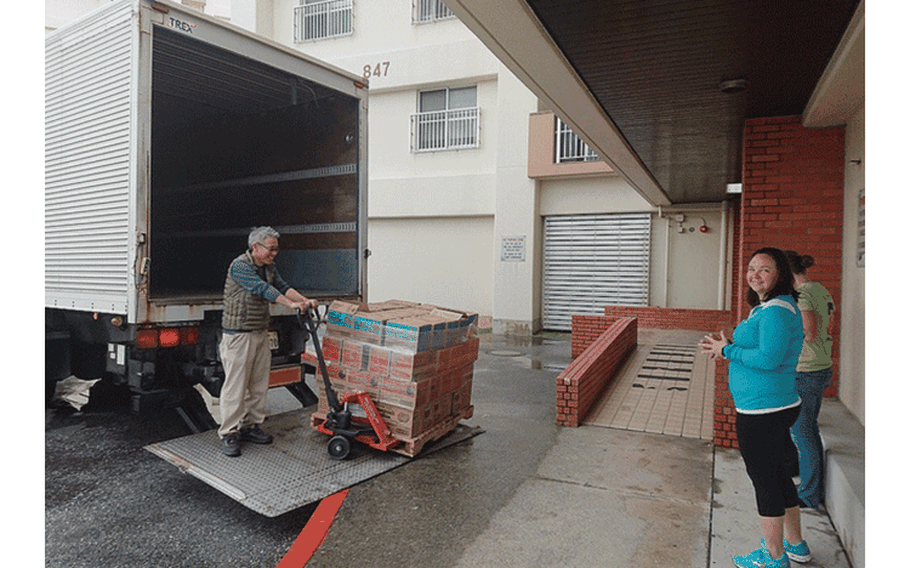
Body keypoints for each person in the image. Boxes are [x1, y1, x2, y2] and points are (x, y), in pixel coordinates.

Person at [699, 247, 810, 567]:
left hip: (763, 410)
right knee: (776, 475)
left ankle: (775, 557)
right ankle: (795, 545)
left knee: (765, 480)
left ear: (781, 275)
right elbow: (762, 348)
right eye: (751, 268)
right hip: (772, 404)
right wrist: (728, 347)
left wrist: (729, 351)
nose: (754, 274)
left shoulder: (776, 310)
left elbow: (769, 359)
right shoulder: (771, 307)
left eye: (765, 269)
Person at [218, 226, 318, 457]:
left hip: (259, 331)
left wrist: (304, 300)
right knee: (236, 385)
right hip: (238, 335)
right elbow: (261, 288)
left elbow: (283, 286)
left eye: (276, 250)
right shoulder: (240, 266)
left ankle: (251, 425)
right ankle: (229, 433)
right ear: (256, 247)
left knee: (258, 383)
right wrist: (288, 304)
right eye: (271, 249)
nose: (274, 254)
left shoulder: (269, 267)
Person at [785, 251, 835, 509]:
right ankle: (806, 483)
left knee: (804, 432)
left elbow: (810, 331)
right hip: (821, 365)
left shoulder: (802, 294)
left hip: (807, 370)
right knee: (804, 428)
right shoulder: (820, 290)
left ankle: (809, 494)